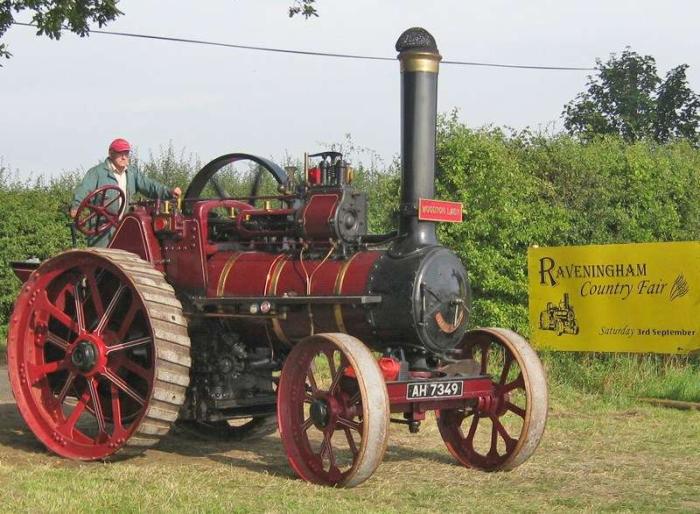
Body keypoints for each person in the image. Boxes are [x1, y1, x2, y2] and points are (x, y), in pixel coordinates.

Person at [70, 138, 181, 247]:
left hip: (124, 225)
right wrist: (76, 206)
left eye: (126, 153)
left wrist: (168, 192)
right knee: (103, 260)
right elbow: (83, 190)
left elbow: (150, 186)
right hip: (102, 228)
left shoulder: (132, 173)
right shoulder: (97, 173)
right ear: (111, 153)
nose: (124, 157)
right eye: (120, 153)